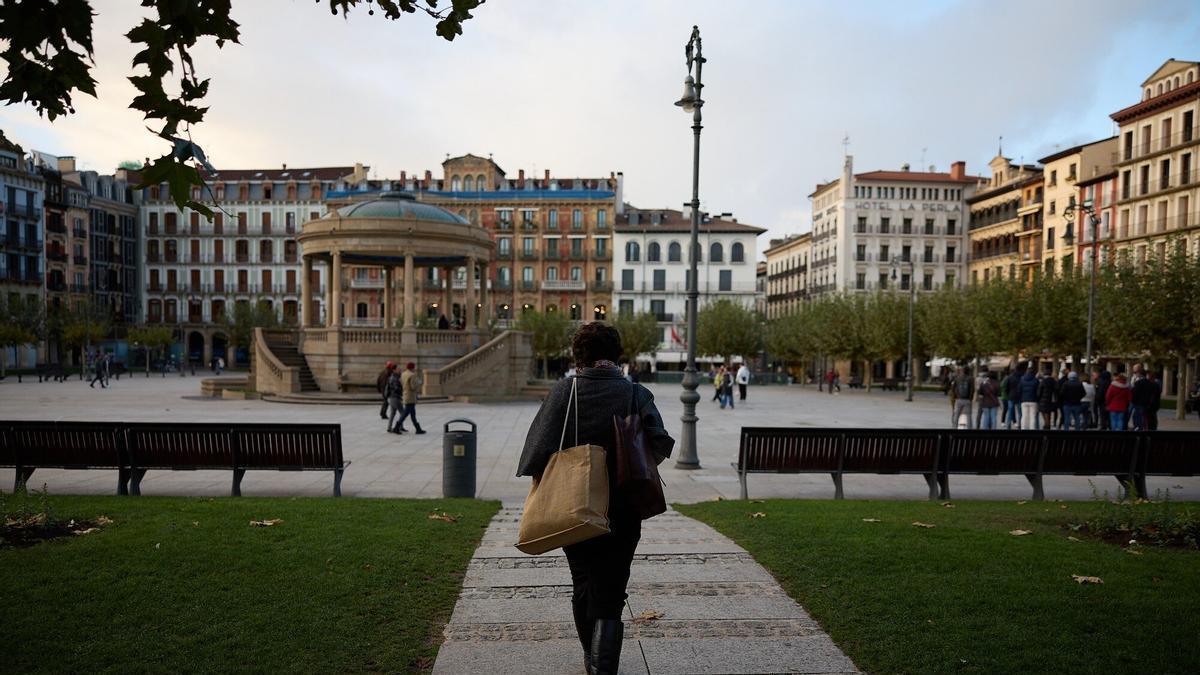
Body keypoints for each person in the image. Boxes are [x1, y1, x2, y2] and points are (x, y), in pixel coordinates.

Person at [516, 322, 675, 674]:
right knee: (613, 588)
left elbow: (535, 452)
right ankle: (601, 667)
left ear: (580, 356)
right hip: (624, 505)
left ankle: (592, 659)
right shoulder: (636, 393)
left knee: (583, 582)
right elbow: (661, 441)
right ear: (615, 354)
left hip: (575, 504)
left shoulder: (564, 392)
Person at [393, 362, 427, 434]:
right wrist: (418, 383)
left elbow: (402, 383)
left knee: (413, 414)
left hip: (405, 394)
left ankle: (418, 429)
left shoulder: (403, 374)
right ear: (413, 368)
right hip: (411, 396)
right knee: (405, 413)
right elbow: (413, 387)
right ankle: (397, 427)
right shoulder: (412, 375)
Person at [385, 367, 406, 434]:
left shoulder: (393, 377)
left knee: (392, 413)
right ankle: (398, 427)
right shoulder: (394, 378)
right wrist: (402, 389)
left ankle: (389, 428)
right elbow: (396, 388)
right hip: (395, 398)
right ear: (394, 370)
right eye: (398, 369)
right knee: (403, 413)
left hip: (392, 397)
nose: (400, 370)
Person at [1003, 365, 1024, 430]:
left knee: (1010, 411)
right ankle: (1020, 425)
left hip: (1011, 396)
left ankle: (1008, 426)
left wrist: (1007, 394)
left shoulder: (1010, 377)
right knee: (1020, 412)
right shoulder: (1021, 377)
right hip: (1019, 396)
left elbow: (1006, 387)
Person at [1018, 365, 1039, 430]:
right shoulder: (1036, 380)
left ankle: (1023, 428)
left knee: (1024, 415)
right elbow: (1038, 390)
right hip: (1033, 400)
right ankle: (1032, 429)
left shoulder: (1022, 379)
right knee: (1033, 416)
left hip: (1024, 400)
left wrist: (1020, 398)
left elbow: (1019, 390)